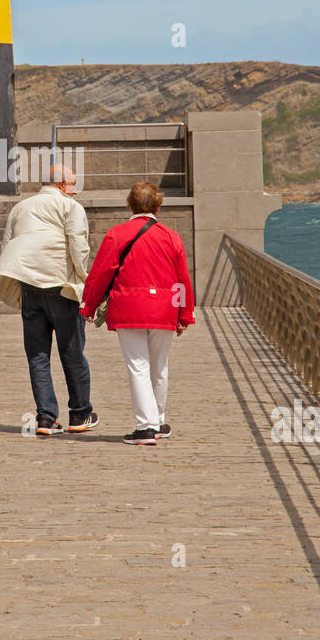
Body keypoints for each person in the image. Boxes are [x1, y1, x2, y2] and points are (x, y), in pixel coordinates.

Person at [79, 181, 194, 446]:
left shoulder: (117, 234)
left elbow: (100, 274)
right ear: (158, 204)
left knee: (138, 366)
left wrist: (89, 305)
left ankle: (146, 427)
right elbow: (182, 280)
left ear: (129, 204)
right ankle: (159, 420)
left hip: (129, 306)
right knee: (159, 367)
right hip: (164, 308)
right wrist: (184, 313)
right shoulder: (171, 236)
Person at [0, 164, 98, 437]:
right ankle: (80, 413)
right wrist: (86, 281)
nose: (75, 191)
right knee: (72, 352)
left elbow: (8, 245)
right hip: (61, 286)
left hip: (30, 288)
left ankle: (46, 419)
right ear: (62, 184)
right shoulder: (70, 207)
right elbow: (78, 245)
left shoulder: (20, 207)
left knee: (38, 357)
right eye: (73, 185)